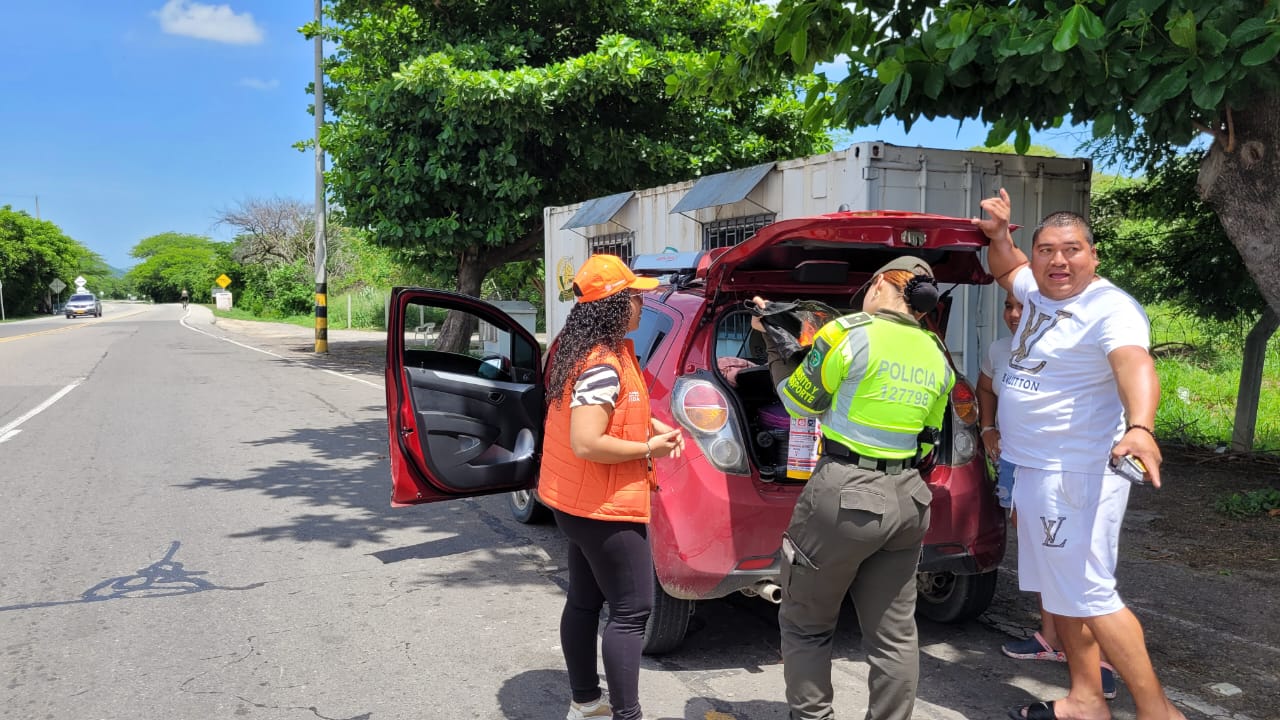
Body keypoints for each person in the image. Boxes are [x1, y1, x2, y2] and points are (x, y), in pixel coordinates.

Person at [973, 189, 1186, 720]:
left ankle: (1159, 712)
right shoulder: (1039, 289)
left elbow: (1134, 363)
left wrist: (1141, 425)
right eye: (1046, 249)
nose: (1057, 260)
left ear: (1093, 256)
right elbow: (1007, 270)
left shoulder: (1109, 308)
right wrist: (999, 236)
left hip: (1077, 473)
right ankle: (1086, 699)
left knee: (1089, 592)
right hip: (1035, 468)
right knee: (1059, 589)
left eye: (1071, 249)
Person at [753, 256, 954, 720]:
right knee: (895, 634)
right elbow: (927, 433)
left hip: (845, 493)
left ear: (882, 284)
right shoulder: (935, 351)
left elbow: (798, 403)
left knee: (806, 624)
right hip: (909, 498)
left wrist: (774, 349)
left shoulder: (847, 333)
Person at [536, 254, 685, 720]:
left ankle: (585, 703)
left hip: (576, 499)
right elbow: (586, 440)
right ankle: (627, 715)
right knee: (632, 609)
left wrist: (651, 427)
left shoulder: (593, 350)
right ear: (613, 306)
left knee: (584, 599)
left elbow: (617, 413)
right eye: (634, 296)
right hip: (601, 504)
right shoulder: (602, 363)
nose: (641, 303)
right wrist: (649, 450)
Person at [977, 293, 1117, 700]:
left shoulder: (1073, 344)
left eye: (1024, 307)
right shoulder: (1000, 349)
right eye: (1008, 306)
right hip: (1018, 465)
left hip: (1069, 470)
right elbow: (986, 387)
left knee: (1079, 561)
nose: (1015, 314)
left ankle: (1100, 661)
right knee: (1039, 554)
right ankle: (1051, 639)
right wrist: (988, 429)